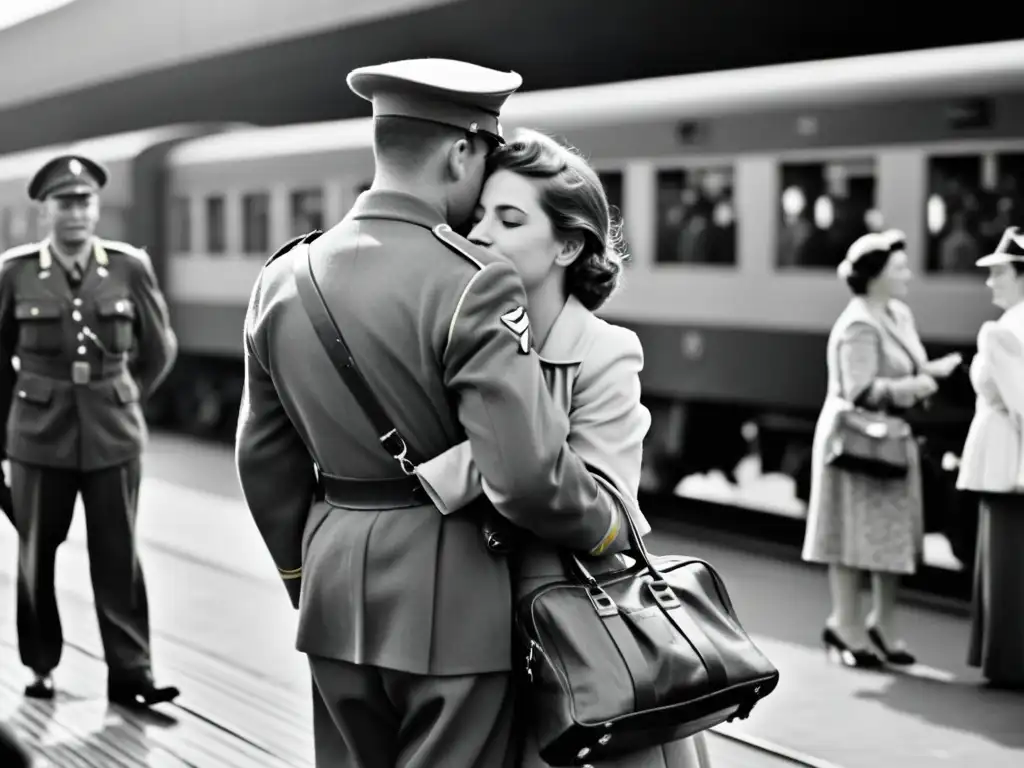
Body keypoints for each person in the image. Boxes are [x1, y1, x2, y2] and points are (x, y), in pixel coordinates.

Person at [235, 59, 628, 768]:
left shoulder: (283, 277)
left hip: (330, 596)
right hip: (449, 604)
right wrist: (604, 529)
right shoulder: (474, 281)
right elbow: (526, 476)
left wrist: (304, 574)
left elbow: (262, 459)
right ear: (460, 152)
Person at [413, 128, 711, 766]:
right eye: (479, 216)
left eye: (510, 219)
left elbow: (607, 503)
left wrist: (451, 467)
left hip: (576, 630)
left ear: (569, 245)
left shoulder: (604, 350)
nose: (481, 233)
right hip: (474, 627)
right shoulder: (463, 341)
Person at [0, 154, 179, 707]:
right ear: (44, 210)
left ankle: (132, 675)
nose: (74, 213)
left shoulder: (129, 268)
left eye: (83, 202)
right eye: (63, 203)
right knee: (36, 555)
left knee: (118, 554)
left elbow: (160, 347)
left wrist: (123, 396)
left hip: (113, 437)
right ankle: (40, 665)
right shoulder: (15, 271)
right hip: (37, 435)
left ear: (97, 208)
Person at [801, 230, 962, 668]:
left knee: (892, 537)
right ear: (874, 276)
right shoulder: (858, 323)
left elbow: (904, 366)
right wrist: (919, 385)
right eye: (899, 267)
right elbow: (861, 389)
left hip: (889, 441)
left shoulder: (897, 314)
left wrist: (933, 369)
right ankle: (845, 625)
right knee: (851, 536)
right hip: (856, 443)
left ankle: (884, 625)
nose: (908, 272)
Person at [957, 226, 1024, 690]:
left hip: (1006, 461)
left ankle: (1007, 659)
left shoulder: (1004, 331)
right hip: (1006, 457)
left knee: (1006, 559)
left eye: (998, 272)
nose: (990, 282)